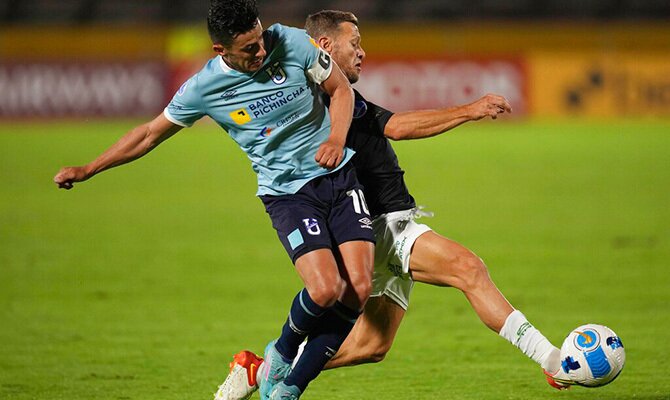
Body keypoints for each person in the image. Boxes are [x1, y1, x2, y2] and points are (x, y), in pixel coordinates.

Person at [214, 10, 575, 400]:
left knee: (372, 345)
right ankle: (552, 361)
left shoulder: (336, 92)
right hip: (379, 225)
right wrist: (471, 109)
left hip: (376, 225)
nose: (362, 52)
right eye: (354, 43)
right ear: (324, 46)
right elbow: (397, 127)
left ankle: (259, 371)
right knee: (467, 268)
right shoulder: (317, 99)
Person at [53, 2, 376, 400]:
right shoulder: (204, 89)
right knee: (326, 289)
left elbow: (340, 88)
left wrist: (335, 139)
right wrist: (89, 168)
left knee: (358, 289)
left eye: (260, 40)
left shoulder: (290, 41)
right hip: (289, 194)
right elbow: (149, 134)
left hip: (339, 177)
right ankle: (281, 352)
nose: (261, 52)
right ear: (221, 52)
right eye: (249, 49)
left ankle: (289, 388)